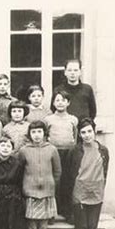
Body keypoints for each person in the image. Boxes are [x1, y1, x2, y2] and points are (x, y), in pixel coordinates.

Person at [66, 118, 109, 229]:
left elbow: (105, 172)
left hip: (96, 193)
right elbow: (70, 175)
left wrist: (100, 187)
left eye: (89, 131)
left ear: (94, 131)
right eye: (83, 132)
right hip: (80, 193)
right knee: (82, 227)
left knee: (92, 227)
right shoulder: (75, 151)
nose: (86, 135)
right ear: (79, 134)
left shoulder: (103, 150)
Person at [19, 121, 61, 229]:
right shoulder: (24, 150)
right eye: (33, 132)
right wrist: (26, 188)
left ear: (44, 133)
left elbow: (57, 172)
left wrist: (50, 186)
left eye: (39, 132)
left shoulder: (52, 149)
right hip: (30, 193)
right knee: (31, 227)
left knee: (43, 227)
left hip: (47, 194)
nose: (37, 135)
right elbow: (20, 171)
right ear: (29, 134)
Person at [44, 90, 78, 220]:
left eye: (63, 100)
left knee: (67, 181)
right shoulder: (48, 119)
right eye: (57, 100)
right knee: (54, 181)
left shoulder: (73, 119)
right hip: (54, 152)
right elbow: (46, 136)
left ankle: (66, 211)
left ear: (68, 102)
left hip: (68, 153)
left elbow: (74, 136)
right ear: (53, 103)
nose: (60, 103)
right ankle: (52, 212)